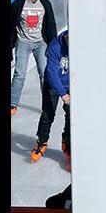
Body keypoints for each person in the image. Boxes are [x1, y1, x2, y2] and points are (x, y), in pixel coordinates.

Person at [10, 0, 59, 117]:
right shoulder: (18, 5)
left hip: (40, 43)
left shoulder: (44, 3)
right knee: (20, 73)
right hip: (23, 42)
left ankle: (47, 103)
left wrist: (53, 45)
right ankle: (13, 103)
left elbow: (51, 25)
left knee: (44, 73)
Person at [31, 30, 71, 168]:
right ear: (66, 37)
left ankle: (68, 143)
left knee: (71, 115)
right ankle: (41, 141)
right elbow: (52, 73)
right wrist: (63, 94)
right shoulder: (55, 47)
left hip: (71, 85)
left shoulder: (80, 45)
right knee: (48, 114)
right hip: (53, 85)